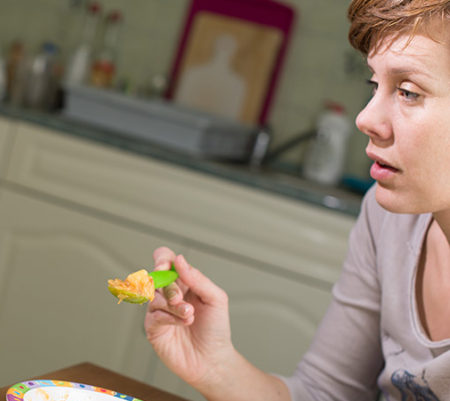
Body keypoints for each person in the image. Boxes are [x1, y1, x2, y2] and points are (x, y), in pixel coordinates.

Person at [144, 0, 450, 400]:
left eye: (408, 91)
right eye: (376, 86)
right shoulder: (386, 217)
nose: (365, 118)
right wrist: (215, 366)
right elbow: (324, 393)